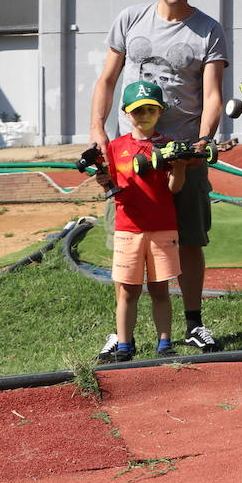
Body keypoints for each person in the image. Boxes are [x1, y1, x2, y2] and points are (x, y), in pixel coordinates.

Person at [90, 0, 228, 357]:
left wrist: (201, 141)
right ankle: (122, 331)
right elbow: (107, 80)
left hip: (180, 151)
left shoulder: (208, 29)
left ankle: (193, 324)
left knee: (189, 239)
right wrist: (98, 128)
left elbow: (213, 94)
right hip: (130, 155)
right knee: (127, 239)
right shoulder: (131, 19)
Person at [98, 81, 187, 362]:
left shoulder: (169, 146)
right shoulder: (114, 148)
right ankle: (124, 345)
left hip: (162, 228)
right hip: (128, 229)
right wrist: (103, 182)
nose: (144, 115)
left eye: (151, 109)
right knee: (128, 290)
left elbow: (174, 188)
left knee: (160, 288)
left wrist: (181, 165)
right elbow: (110, 185)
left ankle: (164, 343)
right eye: (138, 111)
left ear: (160, 112)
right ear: (126, 113)